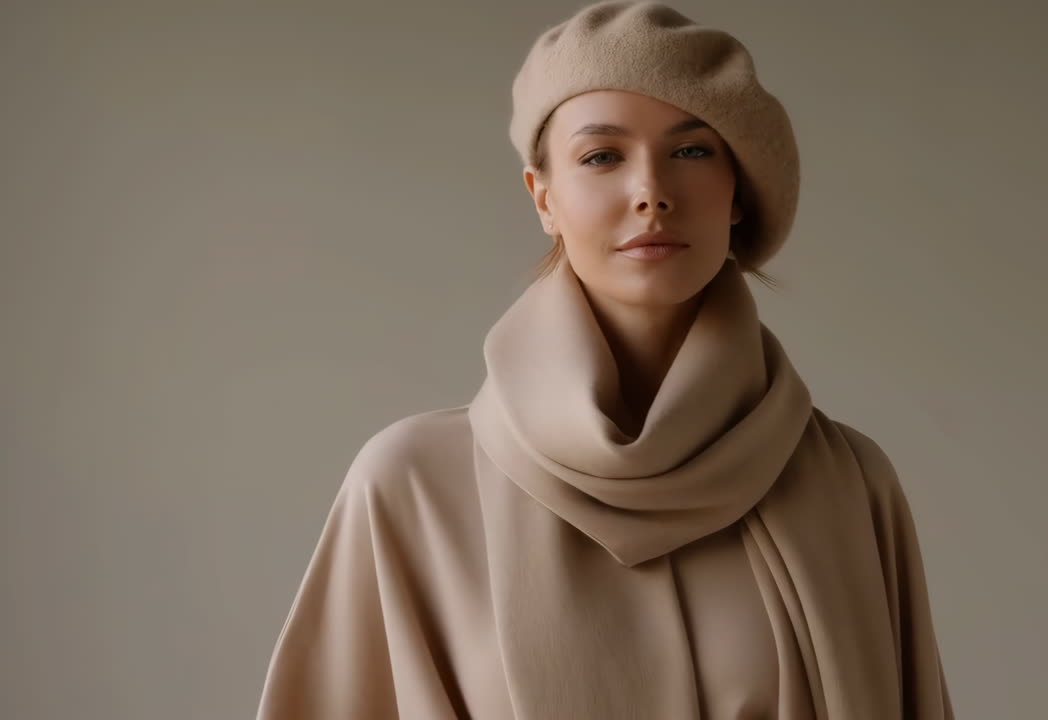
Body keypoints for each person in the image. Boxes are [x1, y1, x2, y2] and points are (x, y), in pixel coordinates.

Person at [255, 2, 954, 718]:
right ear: (544, 197)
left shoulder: (848, 486)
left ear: (737, 192)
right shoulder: (412, 487)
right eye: (601, 156)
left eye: (691, 151)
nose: (650, 191)